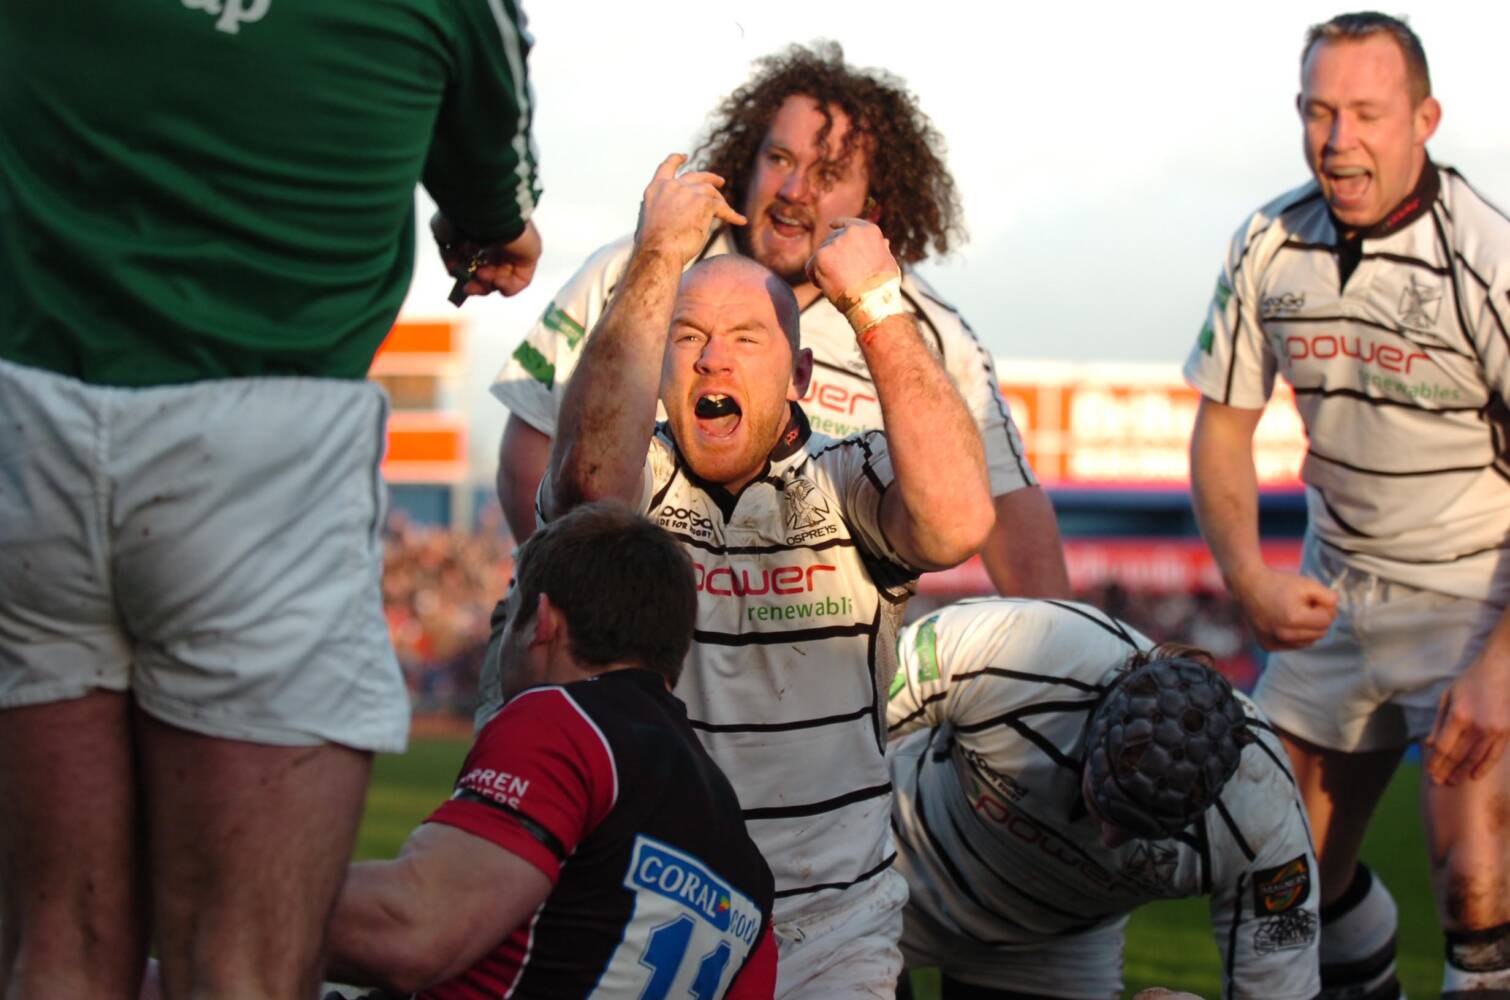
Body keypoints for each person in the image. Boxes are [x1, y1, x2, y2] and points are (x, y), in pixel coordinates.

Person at [0, 2, 542, 996]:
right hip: (263, 446)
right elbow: (495, 200)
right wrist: (493, 232)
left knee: (59, 944)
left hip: (27, 422)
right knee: (241, 962)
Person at [536, 153, 995, 998]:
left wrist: (878, 306)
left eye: (747, 340)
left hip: (831, 928)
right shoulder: (639, 483)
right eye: (688, 339)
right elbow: (587, 490)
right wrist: (655, 260)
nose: (713, 361)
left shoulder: (849, 479)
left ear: (799, 378)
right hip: (654, 911)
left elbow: (961, 520)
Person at [489, 41, 1069, 600]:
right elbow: (533, 451)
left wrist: (1077, 663)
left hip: (817, 662)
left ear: (873, 207)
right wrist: (580, 611)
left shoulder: (923, 329)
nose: (794, 191)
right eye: (780, 159)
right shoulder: (639, 266)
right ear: (747, 161)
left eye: (827, 175)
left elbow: (1006, 507)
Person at [1184, 12, 1510, 999]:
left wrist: (1500, 665)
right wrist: (1248, 578)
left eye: (1366, 113)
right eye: (1318, 112)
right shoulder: (1269, 242)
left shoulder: (1485, 257)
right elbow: (1223, 427)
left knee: (1477, 883)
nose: (1338, 140)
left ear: (1424, 119)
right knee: (1276, 884)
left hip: (1475, 593)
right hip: (1334, 589)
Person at [323, 502, 777, 999]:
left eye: (511, 614)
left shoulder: (567, 721)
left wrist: (233, 884)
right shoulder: (748, 865)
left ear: (542, 620)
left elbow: (410, 930)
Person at [887, 598, 1319, 1000]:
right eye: (1106, 800)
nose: (1111, 837)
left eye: (1142, 828)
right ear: (1095, 726)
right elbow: (836, 719)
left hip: (1053, 948)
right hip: (889, 874)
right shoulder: (1017, 650)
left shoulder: (1262, 816)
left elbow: (1279, 985)